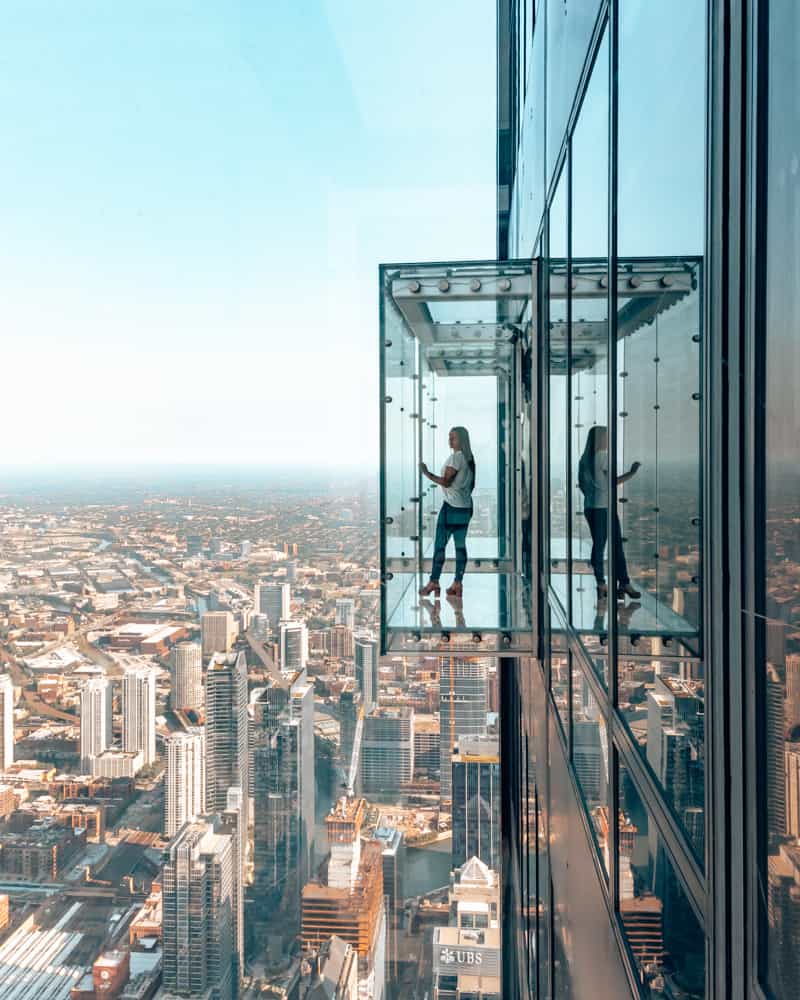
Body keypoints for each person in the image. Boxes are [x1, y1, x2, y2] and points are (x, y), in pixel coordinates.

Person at [578, 425, 641, 601]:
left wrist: (594, 495)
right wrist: (632, 472)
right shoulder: (602, 456)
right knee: (615, 546)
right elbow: (613, 482)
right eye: (606, 437)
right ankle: (622, 583)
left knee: (599, 546)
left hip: (591, 507)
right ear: (600, 440)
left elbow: (582, 485)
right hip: (604, 509)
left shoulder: (583, 460)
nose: (608, 441)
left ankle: (602, 584)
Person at [418, 426, 475, 598]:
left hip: (451, 508)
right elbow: (472, 485)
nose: (450, 440)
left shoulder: (456, 458)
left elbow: (446, 482)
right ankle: (458, 584)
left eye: (454, 438)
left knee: (439, 546)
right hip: (465, 507)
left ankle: (434, 581)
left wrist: (426, 473)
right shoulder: (470, 457)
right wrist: (462, 495)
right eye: (449, 437)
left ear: (462, 440)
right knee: (460, 546)